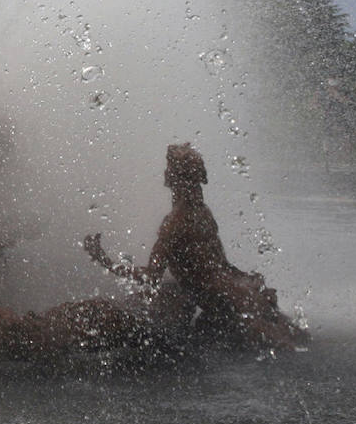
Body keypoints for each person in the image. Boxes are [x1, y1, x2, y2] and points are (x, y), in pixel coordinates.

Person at [82, 143, 305, 350]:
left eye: (168, 169)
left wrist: (105, 261)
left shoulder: (174, 224)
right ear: (201, 178)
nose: (165, 173)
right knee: (295, 343)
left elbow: (151, 278)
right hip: (243, 291)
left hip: (226, 305)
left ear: (171, 178)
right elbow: (222, 266)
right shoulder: (204, 214)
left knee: (282, 348)